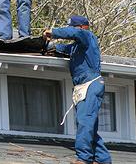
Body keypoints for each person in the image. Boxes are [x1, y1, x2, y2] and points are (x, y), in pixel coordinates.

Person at [43, 15, 112, 164]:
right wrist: (47, 45)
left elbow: (75, 34)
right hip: (83, 87)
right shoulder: (76, 47)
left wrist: (53, 32)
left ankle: (84, 158)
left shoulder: (87, 36)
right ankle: (102, 159)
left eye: (73, 27)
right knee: (89, 125)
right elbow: (60, 48)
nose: (71, 30)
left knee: (85, 122)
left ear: (81, 27)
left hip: (91, 84)